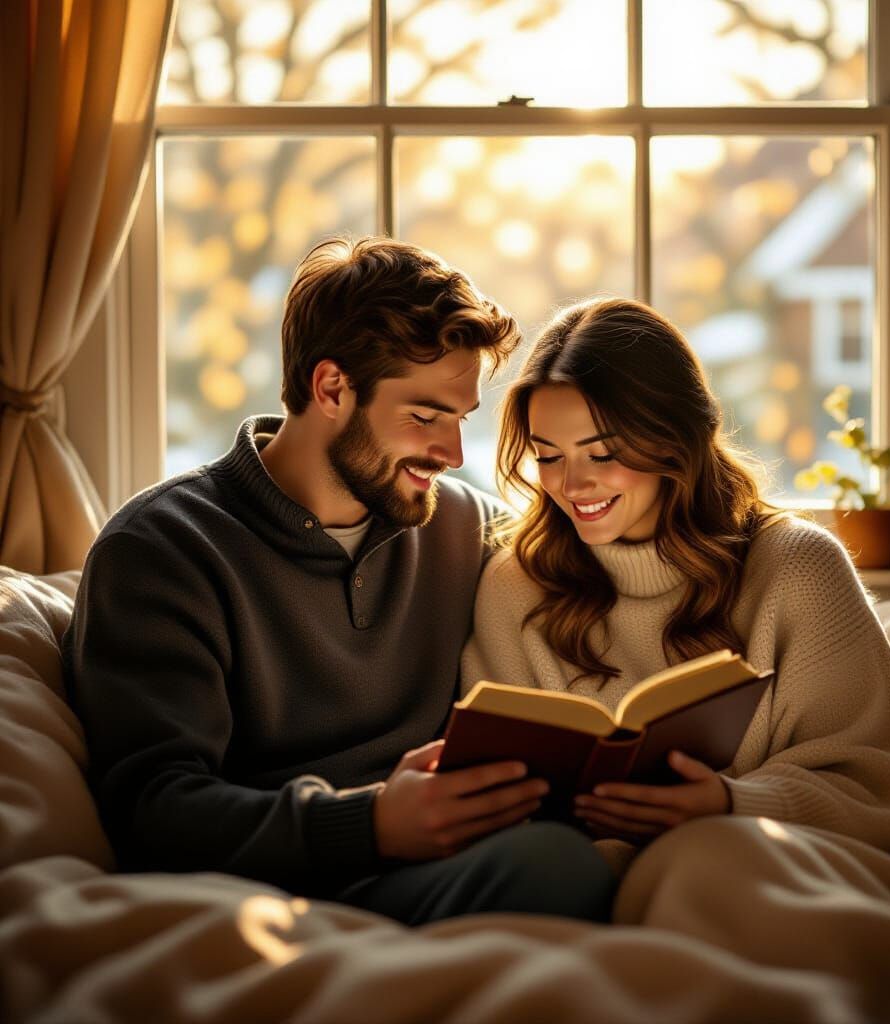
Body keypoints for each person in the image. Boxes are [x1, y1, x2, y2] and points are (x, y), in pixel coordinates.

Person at [63, 237, 616, 926]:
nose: (451, 454)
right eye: (424, 417)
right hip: (277, 896)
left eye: (461, 419)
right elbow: (153, 808)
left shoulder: (465, 527)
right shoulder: (161, 549)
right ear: (331, 388)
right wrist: (369, 824)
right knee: (557, 870)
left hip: (450, 862)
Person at [462, 297, 890, 852]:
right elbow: (492, 795)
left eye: (603, 454)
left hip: (755, 864)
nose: (572, 485)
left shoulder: (798, 567)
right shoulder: (515, 585)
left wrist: (732, 805)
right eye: (549, 456)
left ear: (675, 438)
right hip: (570, 883)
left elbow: (874, 784)